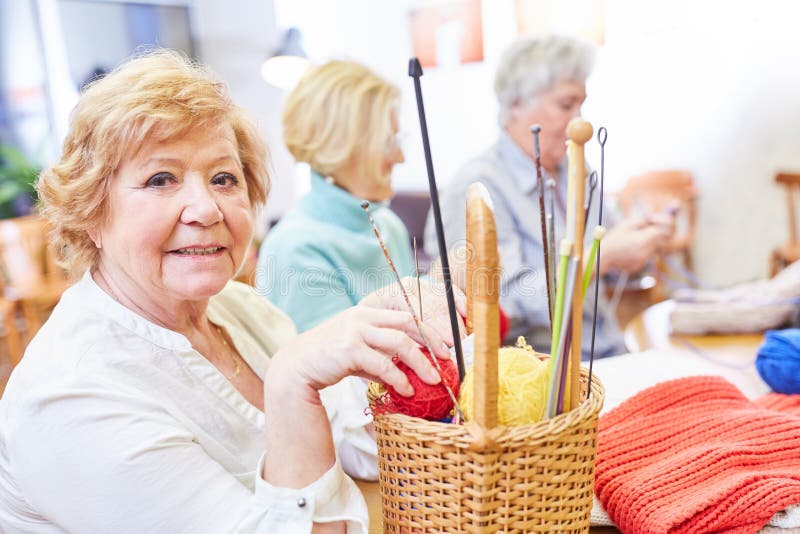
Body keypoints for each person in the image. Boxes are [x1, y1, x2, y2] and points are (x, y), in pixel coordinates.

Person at [0, 50, 462, 533]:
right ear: (92, 213)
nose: (206, 208)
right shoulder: (70, 397)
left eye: (224, 178)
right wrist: (290, 383)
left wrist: (386, 346)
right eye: (161, 179)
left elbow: (361, 448)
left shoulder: (237, 310)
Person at [425, 35, 673, 359]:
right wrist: (601, 257)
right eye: (566, 105)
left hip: (606, 352)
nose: (579, 120)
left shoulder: (576, 168)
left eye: (581, 104)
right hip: (541, 373)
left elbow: (615, 256)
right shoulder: (478, 188)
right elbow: (505, 303)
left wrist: (641, 238)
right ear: (516, 103)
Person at [257, 60, 411, 333]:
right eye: (389, 143)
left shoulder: (389, 225)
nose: (401, 158)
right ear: (342, 148)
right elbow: (347, 371)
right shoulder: (295, 249)